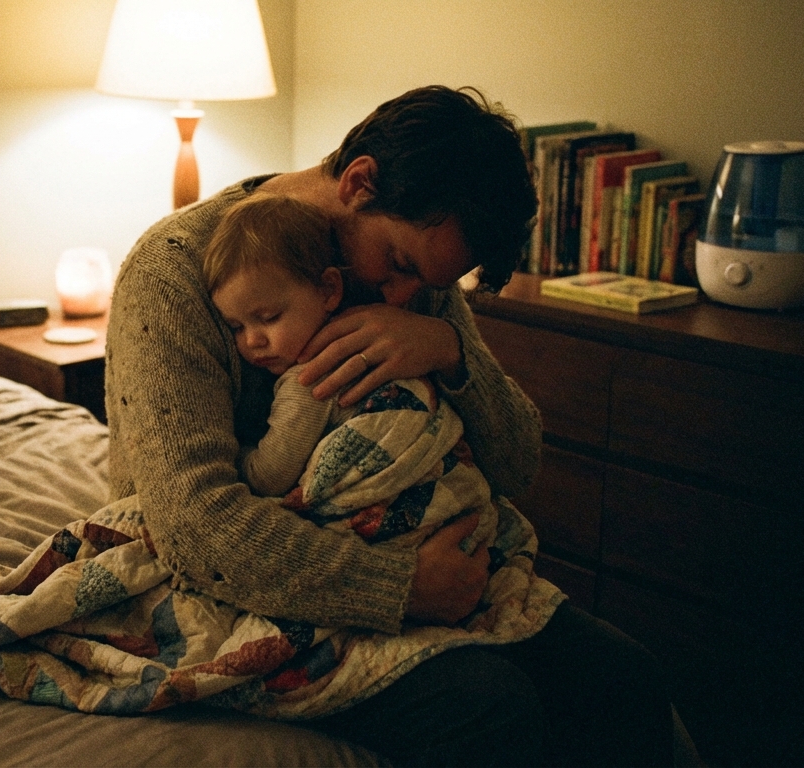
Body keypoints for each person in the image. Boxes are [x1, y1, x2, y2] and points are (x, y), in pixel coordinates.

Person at [105, 85, 672, 766]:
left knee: (627, 679)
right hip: (227, 579)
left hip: (399, 544)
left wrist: (449, 349)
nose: (403, 296)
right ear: (359, 182)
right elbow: (191, 527)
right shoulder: (174, 272)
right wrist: (400, 587)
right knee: (491, 706)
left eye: (431, 286)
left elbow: (518, 462)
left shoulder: (412, 281)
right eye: (401, 267)